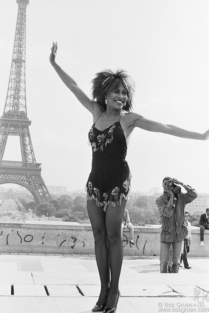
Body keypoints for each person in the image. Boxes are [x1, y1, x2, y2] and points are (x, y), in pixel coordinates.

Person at [49, 42, 209, 312]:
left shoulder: (128, 120)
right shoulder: (96, 112)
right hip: (94, 182)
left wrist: (202, 136)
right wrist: (54, 64)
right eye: (116, 91)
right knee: (98, 235)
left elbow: (165, 127)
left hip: (117, 183)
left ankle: (114, 291)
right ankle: (102, 289)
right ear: (105, 93)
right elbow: (74, 86)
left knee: (113, 234)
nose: (121, 96)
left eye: (125, 93)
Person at [156, 178, 197, 273]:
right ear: (162, 186)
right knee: (163, 261)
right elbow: (167, 212)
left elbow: (194, 194)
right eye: (165, 184)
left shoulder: (181, 197)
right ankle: (163, 281)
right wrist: (171, 198)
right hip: (166, 234)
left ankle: (173, 279)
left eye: (169, 184)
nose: (167, 186)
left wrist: (181, 183)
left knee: (176, 261)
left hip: (179, 233)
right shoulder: (160, 200)